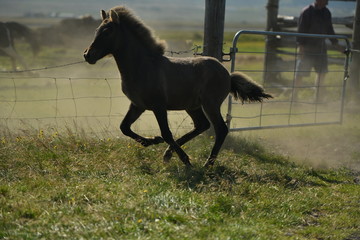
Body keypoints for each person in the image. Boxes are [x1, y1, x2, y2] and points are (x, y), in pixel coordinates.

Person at [294, 0, 343, 102]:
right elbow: (301, 30)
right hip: (307, 48)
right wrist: (301, 47)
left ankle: (318, 98)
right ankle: (294, 97)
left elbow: (330, 29)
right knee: (300, 73)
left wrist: (336, 44)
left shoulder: (326, 13)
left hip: (321, 48)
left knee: (321, 73)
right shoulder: (307, 11)